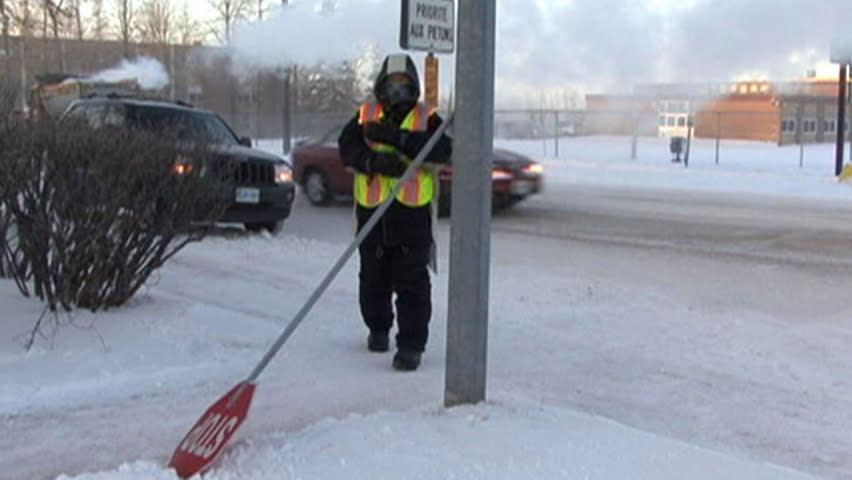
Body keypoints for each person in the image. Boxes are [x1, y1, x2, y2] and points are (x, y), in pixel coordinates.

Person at [337, 53, 452, 371]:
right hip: (372, 213)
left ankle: (411, 346)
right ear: (381, 85)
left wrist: (397, 139)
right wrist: (371, 161)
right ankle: (378, 327)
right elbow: (347, 148)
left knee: (412, 282)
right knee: (373, 278)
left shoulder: (426, 118)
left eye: (404, 83)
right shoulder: (366, 115)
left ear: (414, 85)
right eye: (392, 83)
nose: (398, 90)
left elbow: (442, 150)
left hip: (410, 215)